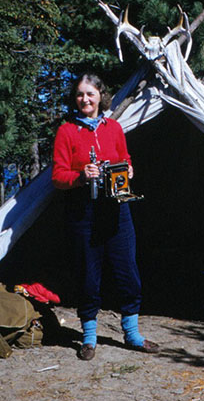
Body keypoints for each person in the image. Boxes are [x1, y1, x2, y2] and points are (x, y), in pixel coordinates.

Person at [52, 73, 159, 361]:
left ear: (101, 95)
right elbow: (58, 177)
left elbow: (126, 158)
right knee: (88, 276)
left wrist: (129, 170)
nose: (85, 99)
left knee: (127, 271)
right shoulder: (67, 131)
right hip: (83, 214)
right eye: (79, 95)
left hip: (117, 211)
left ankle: (133, 334)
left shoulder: (113, 128)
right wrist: (80, 176)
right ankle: (88, 338)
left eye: (90, 93)